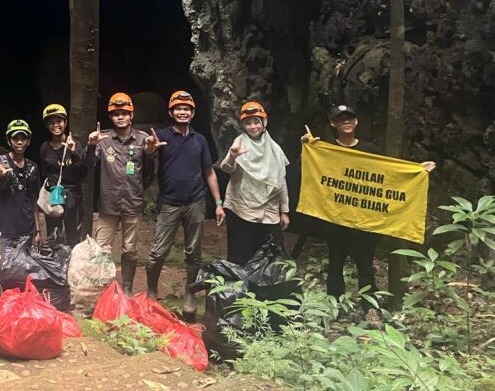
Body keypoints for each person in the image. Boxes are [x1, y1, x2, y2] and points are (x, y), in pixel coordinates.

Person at [305, 104, 436, 305]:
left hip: (365, 221)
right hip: (337, 220)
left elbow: (388, 175)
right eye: (341, 119)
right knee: (335, 263)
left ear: (356, 122)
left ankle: (369, 306)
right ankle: (335, 305)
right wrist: (307, 148)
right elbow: (311, 173)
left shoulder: (369, 150)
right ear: (333, 124)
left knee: (365, 265)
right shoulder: (327, 149)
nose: (346, 122)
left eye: (349, 118)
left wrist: (417, 170)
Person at [145, 89, 224, 321]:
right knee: (157, 253)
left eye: (186, 109)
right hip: (169, 203)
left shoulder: (200, 140)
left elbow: (209, 172)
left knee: (194, 253)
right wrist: (150, 148)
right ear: (171, 112)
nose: (182, 112)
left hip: (195, 202)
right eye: (178, 108)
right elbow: (148, 153)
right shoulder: (161, 135)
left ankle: (190, 295)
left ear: (192, 113)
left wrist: (218, 203)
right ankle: (151, 291)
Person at [86, 93, 159, 296]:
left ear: (132, 115)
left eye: (124, 113)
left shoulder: (143, 139)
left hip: (132, 204)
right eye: (116, 114)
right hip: (108, 203)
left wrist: (150, 154)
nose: (120, 117)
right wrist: (92, 146)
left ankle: (126, 288)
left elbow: (148, 174)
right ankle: (102, 289)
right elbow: (89, 166)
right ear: (111, 117)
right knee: (101, 247)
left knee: (130, 248)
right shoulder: (103, 139)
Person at [219, 101, 289, 265]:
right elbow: (226, 169)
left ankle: (268, 290)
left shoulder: (274, 148)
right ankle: (242, 289)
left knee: (273, 254)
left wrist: (284, 211)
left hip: (269, 210)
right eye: (248, 123)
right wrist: (232, 156)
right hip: (242, 208)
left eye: (256, 122)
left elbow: (281, 181)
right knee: (242, 253)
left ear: (263, 123)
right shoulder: (239, 143)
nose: (253, 126)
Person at [0, 119, 42, 253]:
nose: (19, 142)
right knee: (5, 269)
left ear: (28, 141)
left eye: (23, 138)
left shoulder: (32, 167)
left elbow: (34, 200)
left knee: (23, 269)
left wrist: (37, 231)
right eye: (15, 138)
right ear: (9, 141)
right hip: (4, 231)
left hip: (27, 229)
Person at [38, 103, 86, 245]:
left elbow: (83, 172)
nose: (55, 125)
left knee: (73, 236)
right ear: (47, 126)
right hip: (54, 194)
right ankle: (54, 265)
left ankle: (73, 266)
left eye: (59, 121)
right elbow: (44, 172)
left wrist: (73, 152)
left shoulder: (75, 144)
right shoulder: (45, 148)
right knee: (54, 235)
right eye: (51, 122)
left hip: (72, 195)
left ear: (65, 123)